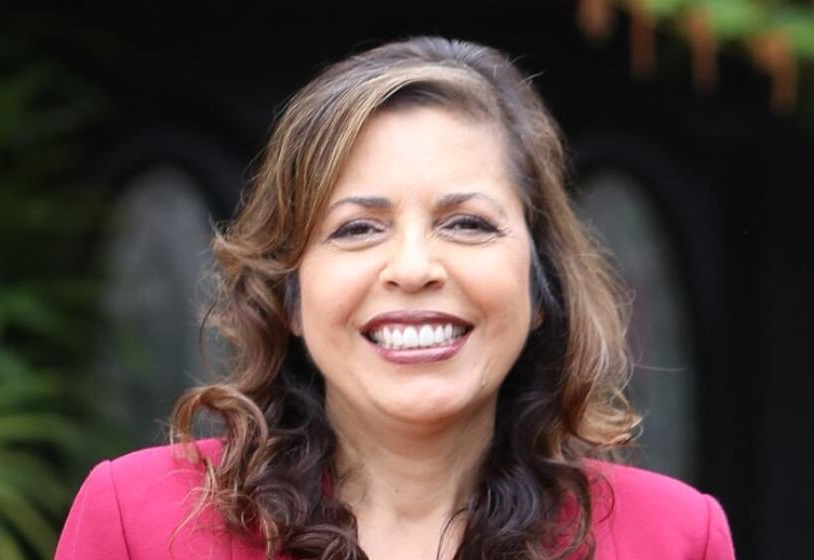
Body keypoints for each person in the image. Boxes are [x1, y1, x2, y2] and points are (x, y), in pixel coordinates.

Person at [55, 36, 735, 560]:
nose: (413, 268)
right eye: (357, 228)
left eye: (466, 223)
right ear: (289, 297)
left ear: (540, 285)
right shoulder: (138, 521)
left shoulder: (674, 537)